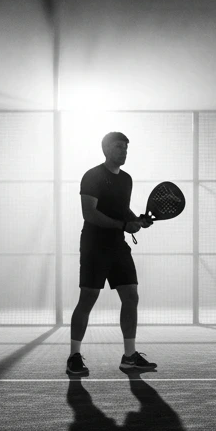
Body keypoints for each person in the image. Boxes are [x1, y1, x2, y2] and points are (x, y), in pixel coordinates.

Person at [66, 132, 159, 376]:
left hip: (118, 245)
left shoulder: (126, 179)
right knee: (88, 298)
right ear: (106, 149)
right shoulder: (92, 176)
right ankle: (74, 357)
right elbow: (89, 213)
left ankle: (129, 357)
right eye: (119, 146)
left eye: (126, 147)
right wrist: (123, 225)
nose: (124, 151)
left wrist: (136, 219)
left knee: (131, 296)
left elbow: (122, 210)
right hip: (94, 245)